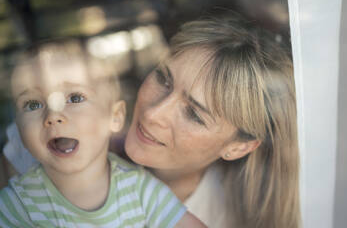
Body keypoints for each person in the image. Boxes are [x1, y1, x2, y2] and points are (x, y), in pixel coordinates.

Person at [2, 15, 300, 228]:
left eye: (194, 113)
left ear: (239, 147)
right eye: (163, 78)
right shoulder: (40, 136)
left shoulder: (221, 216)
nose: (153, 113)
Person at [0, 41, 206, 228]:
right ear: (18, 128)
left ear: (115, 117)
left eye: (75, 98)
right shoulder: (19, 204)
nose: (53, 116)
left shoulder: (138, 190)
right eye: (33, 104)